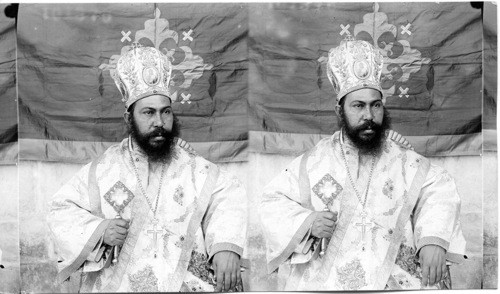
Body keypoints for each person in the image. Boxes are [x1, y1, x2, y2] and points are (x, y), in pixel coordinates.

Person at [259, 36, 467, 291]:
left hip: (394, 279)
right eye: (358, 106)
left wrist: (433, 240)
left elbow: (440, 189)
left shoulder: (404, 160)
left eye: (375, 105)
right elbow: (271, 200)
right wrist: (308, 222)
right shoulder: (314, 162)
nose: (368, 116)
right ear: (340, 111)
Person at [47, 44, 248, 292]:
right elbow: (60, 209)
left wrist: (226, 246)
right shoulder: (105, 169)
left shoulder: (194, 167)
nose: (160, 123)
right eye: (148, 113)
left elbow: (228, 195)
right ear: (128, 119)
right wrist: (99, 231)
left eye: (166, 112)